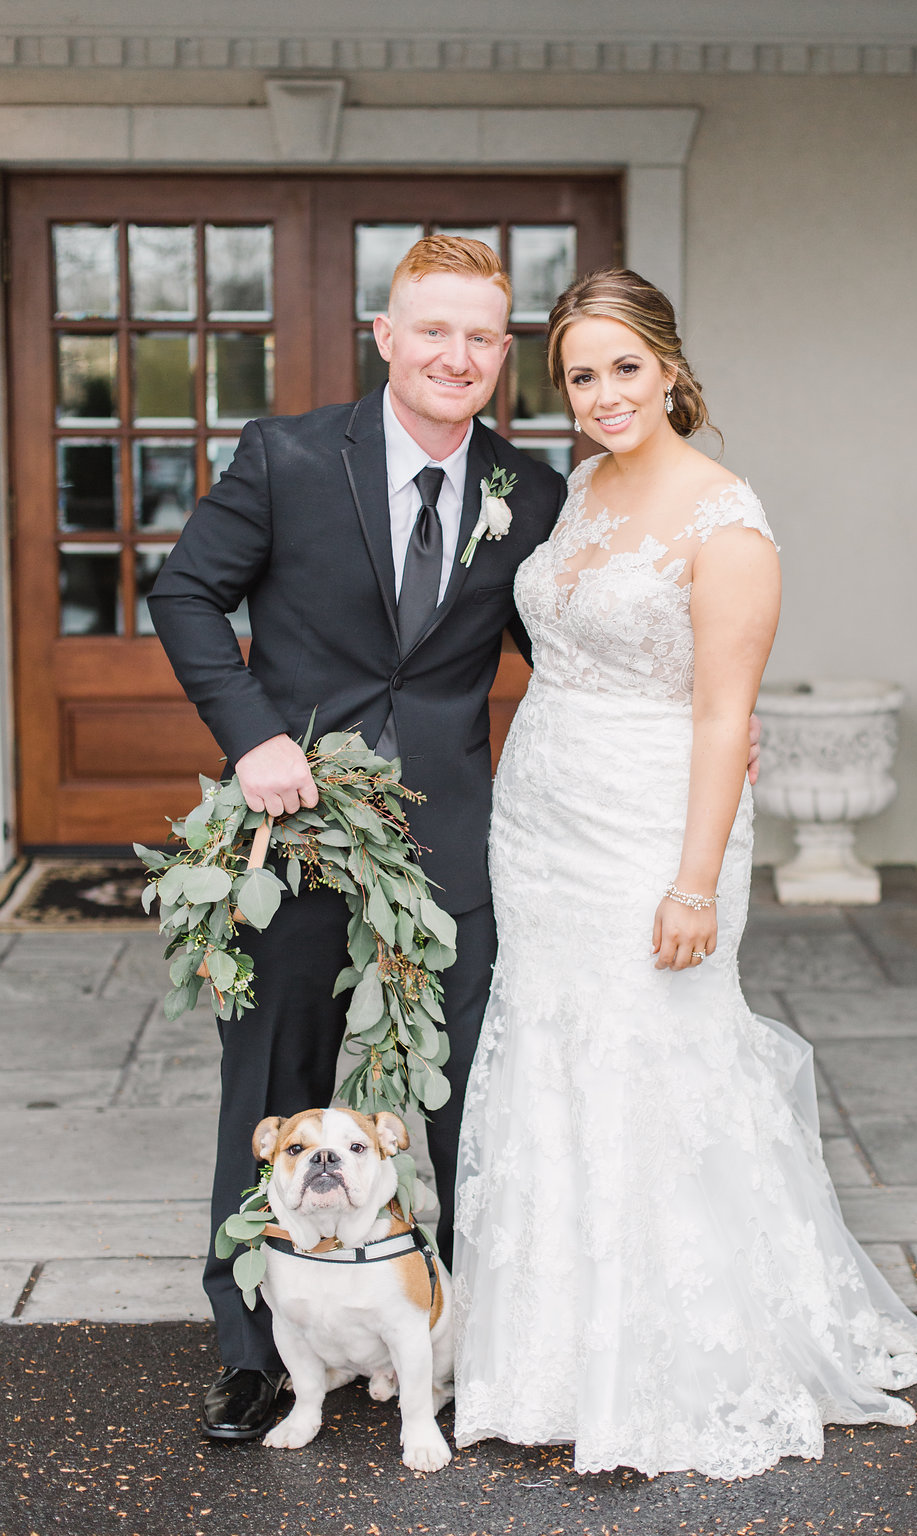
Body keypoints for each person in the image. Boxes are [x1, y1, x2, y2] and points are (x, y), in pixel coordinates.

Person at [452, 269, 917, 1480]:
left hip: (652, 834)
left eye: (626, 366)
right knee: (553, 1053)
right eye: (581, 374)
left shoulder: (724, 520)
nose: (606, 393)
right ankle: (550, 1355)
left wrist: (690, 882)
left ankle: (677, 1355)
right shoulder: (574, 492)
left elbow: (725, 721)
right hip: (542, 824)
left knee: (656, 1057)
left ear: (670, 366)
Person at [148, 237, 567, 1440]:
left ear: (505, 354)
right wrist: (253, 736)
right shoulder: (286, 457)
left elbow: (572, 654)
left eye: (483, 337)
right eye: (433, 330)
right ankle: (250, 1351)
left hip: (452, 856)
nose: (459, 355)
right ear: (385, 336)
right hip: (296, 848)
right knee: (272, 1088)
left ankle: (480, 1338)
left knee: (467, 1107)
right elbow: (184, 592)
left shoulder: (528, 496)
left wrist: (693, 726)